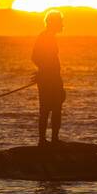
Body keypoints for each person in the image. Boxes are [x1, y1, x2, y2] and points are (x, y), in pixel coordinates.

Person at [32, 10, 65, 145]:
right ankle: (44, 140)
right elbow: (35, 57)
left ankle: (52, 139)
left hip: (53, 78)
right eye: (60, 22)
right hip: (48, 79)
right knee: (47, 109)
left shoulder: (49, 36)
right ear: (54, 23)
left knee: (55, 107)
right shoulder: (45, 37)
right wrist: (44, 72)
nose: (63, 25)